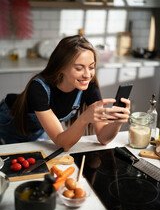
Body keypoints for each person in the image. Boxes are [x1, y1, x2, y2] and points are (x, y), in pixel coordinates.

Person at [0, 35, 130, 151]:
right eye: (79, 68)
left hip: (37, 131)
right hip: (8, 124)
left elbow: (103, 138)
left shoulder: (89, 86)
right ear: (61, 67)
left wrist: (117, 122)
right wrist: (84, 118)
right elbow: (63, 144)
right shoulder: (38, 88)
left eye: (91, 67)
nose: (87, 75)